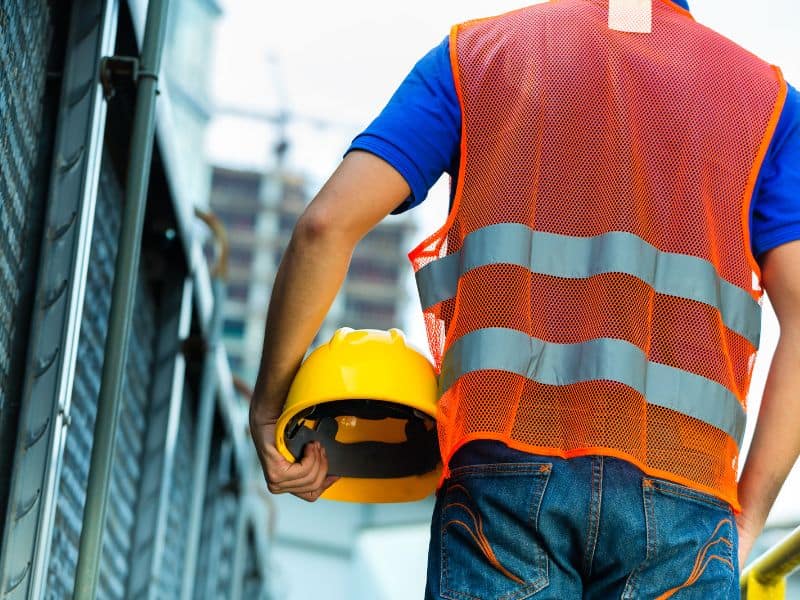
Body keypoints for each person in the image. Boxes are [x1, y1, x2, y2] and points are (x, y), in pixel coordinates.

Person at [249, 0, 800, 597]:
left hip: (505, 470)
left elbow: (324, 227)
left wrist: (270, 409)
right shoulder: (765, 104)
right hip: (685, 491)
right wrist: (748, 511)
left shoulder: (477, 56)